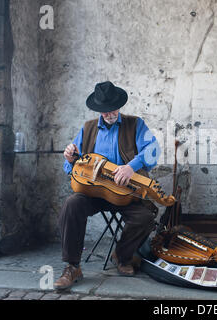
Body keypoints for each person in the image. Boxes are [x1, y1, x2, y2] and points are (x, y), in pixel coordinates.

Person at [54, 81, 160, 290]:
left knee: (146, 217)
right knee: (71, 204)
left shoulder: (136, 124)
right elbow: (73, 166)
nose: (109, 114)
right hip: (93, 193)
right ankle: (72, 266)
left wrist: (131, 167)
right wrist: (69, 159)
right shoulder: (88, 128)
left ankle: (122, 255)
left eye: (112, 109)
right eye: (104, 111)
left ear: (119, 105)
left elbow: (153, 151)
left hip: (125, 192)